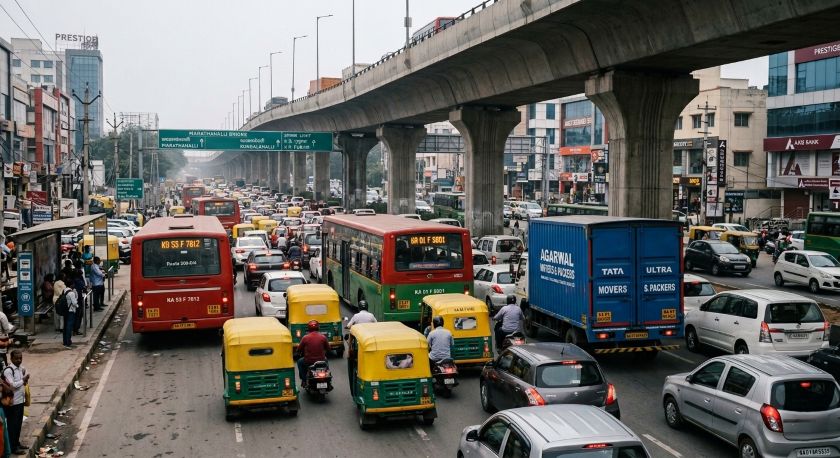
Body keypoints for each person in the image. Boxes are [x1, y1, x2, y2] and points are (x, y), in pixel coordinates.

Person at [3, 350, 29, 455]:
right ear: (11, 358)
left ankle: (17, 443)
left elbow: (24, 378)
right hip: (12, 403)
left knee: (18, 424)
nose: (19, 360)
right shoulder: (8, 371)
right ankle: (13, 447)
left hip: (20, 401)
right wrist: (23, 380)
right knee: (12, 425)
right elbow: (12, 385)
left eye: (20, 358)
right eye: (17, 358)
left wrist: (24, 379)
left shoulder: (20, 368)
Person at [295, 320, 329, 384]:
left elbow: (298, 349)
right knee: (326, 361)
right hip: (322, 360)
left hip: (308, 361)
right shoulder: (323, 337)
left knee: (299, 362)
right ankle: (327, 377)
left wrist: (298, 351)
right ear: (318, 328)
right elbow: (329, 349)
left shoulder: (305, 338)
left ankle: (304, 380)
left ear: (308, 328)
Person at [71, 268, 86, 335]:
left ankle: (74, 329)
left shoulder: (71, 280)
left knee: (75, 315)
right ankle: (75, 330)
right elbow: (84, 287)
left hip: (72, 300)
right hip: (78, 300)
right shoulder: (78, 281)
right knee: (78, 315)